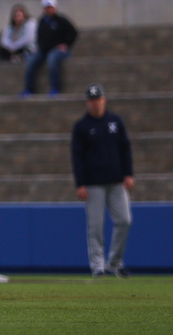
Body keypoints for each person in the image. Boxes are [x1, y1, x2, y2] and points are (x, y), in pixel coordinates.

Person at [71, 83, 134, 278]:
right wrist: (80, 183)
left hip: (116, 181)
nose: (95, 103)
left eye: (97, 99)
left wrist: (128, 173)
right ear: (87, 102)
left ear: (103, 99)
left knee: (125, 220)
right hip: (93, 183)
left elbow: (125, 148)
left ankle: (114, 262)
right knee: (96, 226)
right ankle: (98, 266)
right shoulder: (82, 126)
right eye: (91, 100)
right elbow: (77, 156)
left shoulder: (115, 121)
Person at [21, 0, 78, 97]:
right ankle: (29, 89)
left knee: (52, 60)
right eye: (46, 7)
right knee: (31, 62)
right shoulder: (42, 21)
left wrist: (66, 44)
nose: (49, 9)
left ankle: (55, 88)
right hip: (44, 50)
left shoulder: (61, 20)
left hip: (57, 50)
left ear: (55, 7)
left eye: (50, 7)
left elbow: (74, 32)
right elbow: (38, 36)